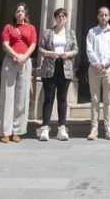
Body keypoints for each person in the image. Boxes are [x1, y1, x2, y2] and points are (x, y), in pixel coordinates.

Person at [0, 2, 36, 143]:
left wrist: (24, 57)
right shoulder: (9, 27)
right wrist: (15, 55)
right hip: (10, 60)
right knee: (7, 95)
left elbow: (32, 44)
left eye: (22, 11)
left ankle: (17, 131)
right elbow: (5, 44)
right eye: (18, 11)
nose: (20, 13)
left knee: (22, 96)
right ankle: (5, 131)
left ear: (26, 14)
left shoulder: (31, 28)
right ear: (14, 14)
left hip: (25, 61)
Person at [38, 7, 78, 141]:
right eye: (59, 16)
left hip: (65, 67)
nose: (61, 18)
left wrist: (68, 54)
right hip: (50, 67)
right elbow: (41, 48)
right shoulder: (47, 32)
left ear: (66, 19)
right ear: (55, 18)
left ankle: (62, 127)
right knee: (48, 98)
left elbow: (76, 49)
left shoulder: (71, 33)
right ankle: (45, 127)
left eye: (63, 16)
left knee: (62, 98)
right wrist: (51, 54)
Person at [85, 6, 110, 140]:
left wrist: (103, 63)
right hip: (94, 68)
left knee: (108, 100)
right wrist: (97, 64)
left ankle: (108, 129)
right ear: (98, 17)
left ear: (109, 17)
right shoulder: (92, 32)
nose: (104, 18)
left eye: (106, 15)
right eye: (102, 15)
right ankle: (94, 129)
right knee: (94, 100)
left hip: (109, 68)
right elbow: (89, 50)